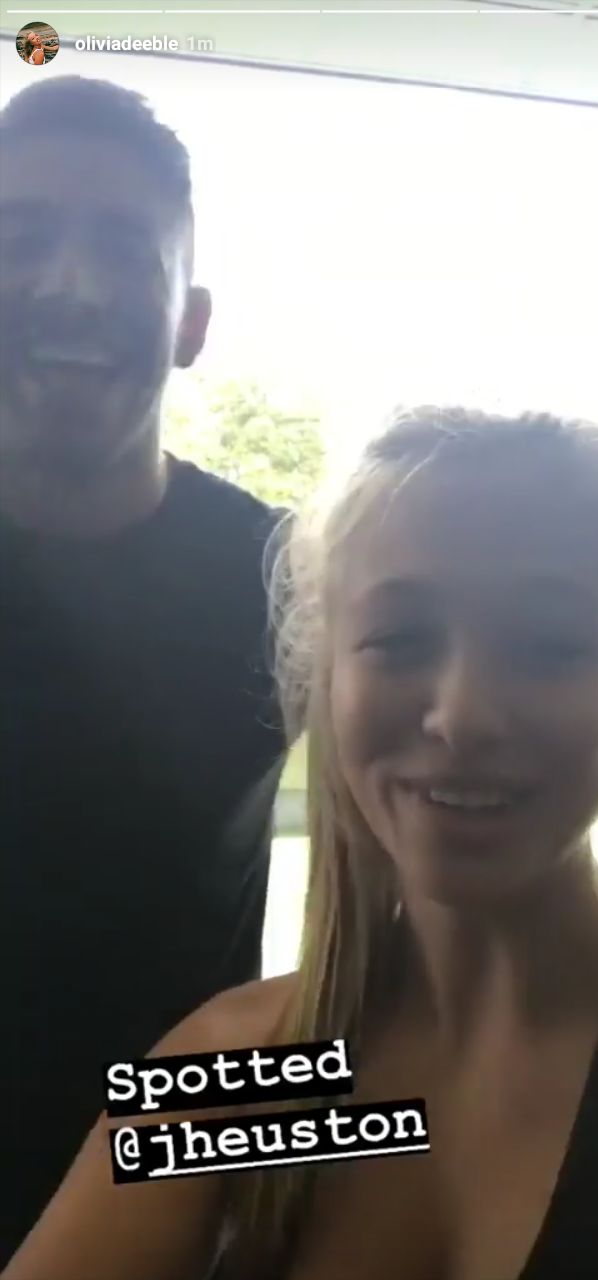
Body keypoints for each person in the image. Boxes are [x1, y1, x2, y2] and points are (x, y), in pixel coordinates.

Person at [5, 406, 598, 1280]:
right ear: (326, 680)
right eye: (400, 640)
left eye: (547, 647)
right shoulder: (231, 1077)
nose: (464, 716)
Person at [0, 78, 290, 1268]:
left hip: (178, 1212)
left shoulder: (287, 584)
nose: (71, 284)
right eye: (23, 238)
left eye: (124, 248)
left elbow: (432, 922)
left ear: (190, 321)